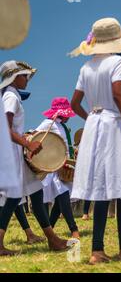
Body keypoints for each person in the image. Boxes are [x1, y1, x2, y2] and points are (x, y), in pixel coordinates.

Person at [70, 17, 121, 264]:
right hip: (114, 125)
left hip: (94, 125)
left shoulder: (86, 67)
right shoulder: (118, 61)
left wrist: (91, 119)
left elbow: (74, 104)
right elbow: (118, 94)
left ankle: (97, 251)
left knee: (100, 188)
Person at [0, 61, 68, 256]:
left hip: (14, 152)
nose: (27, 79)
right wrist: (28, 143)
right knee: (13, 198)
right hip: (10, 153)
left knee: (36, 192)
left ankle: (52, 239)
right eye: (25, 75)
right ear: (14, 77)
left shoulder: (10, 96)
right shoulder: (11, 96)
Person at [37, 97, 80, 239]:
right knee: (63, 194)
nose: (68, 117)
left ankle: (50, 228)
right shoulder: (47, 124)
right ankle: (74, 228)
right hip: (53, 166)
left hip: (64, 165)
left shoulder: (61, 126)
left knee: (59, 199)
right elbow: (35, 136)